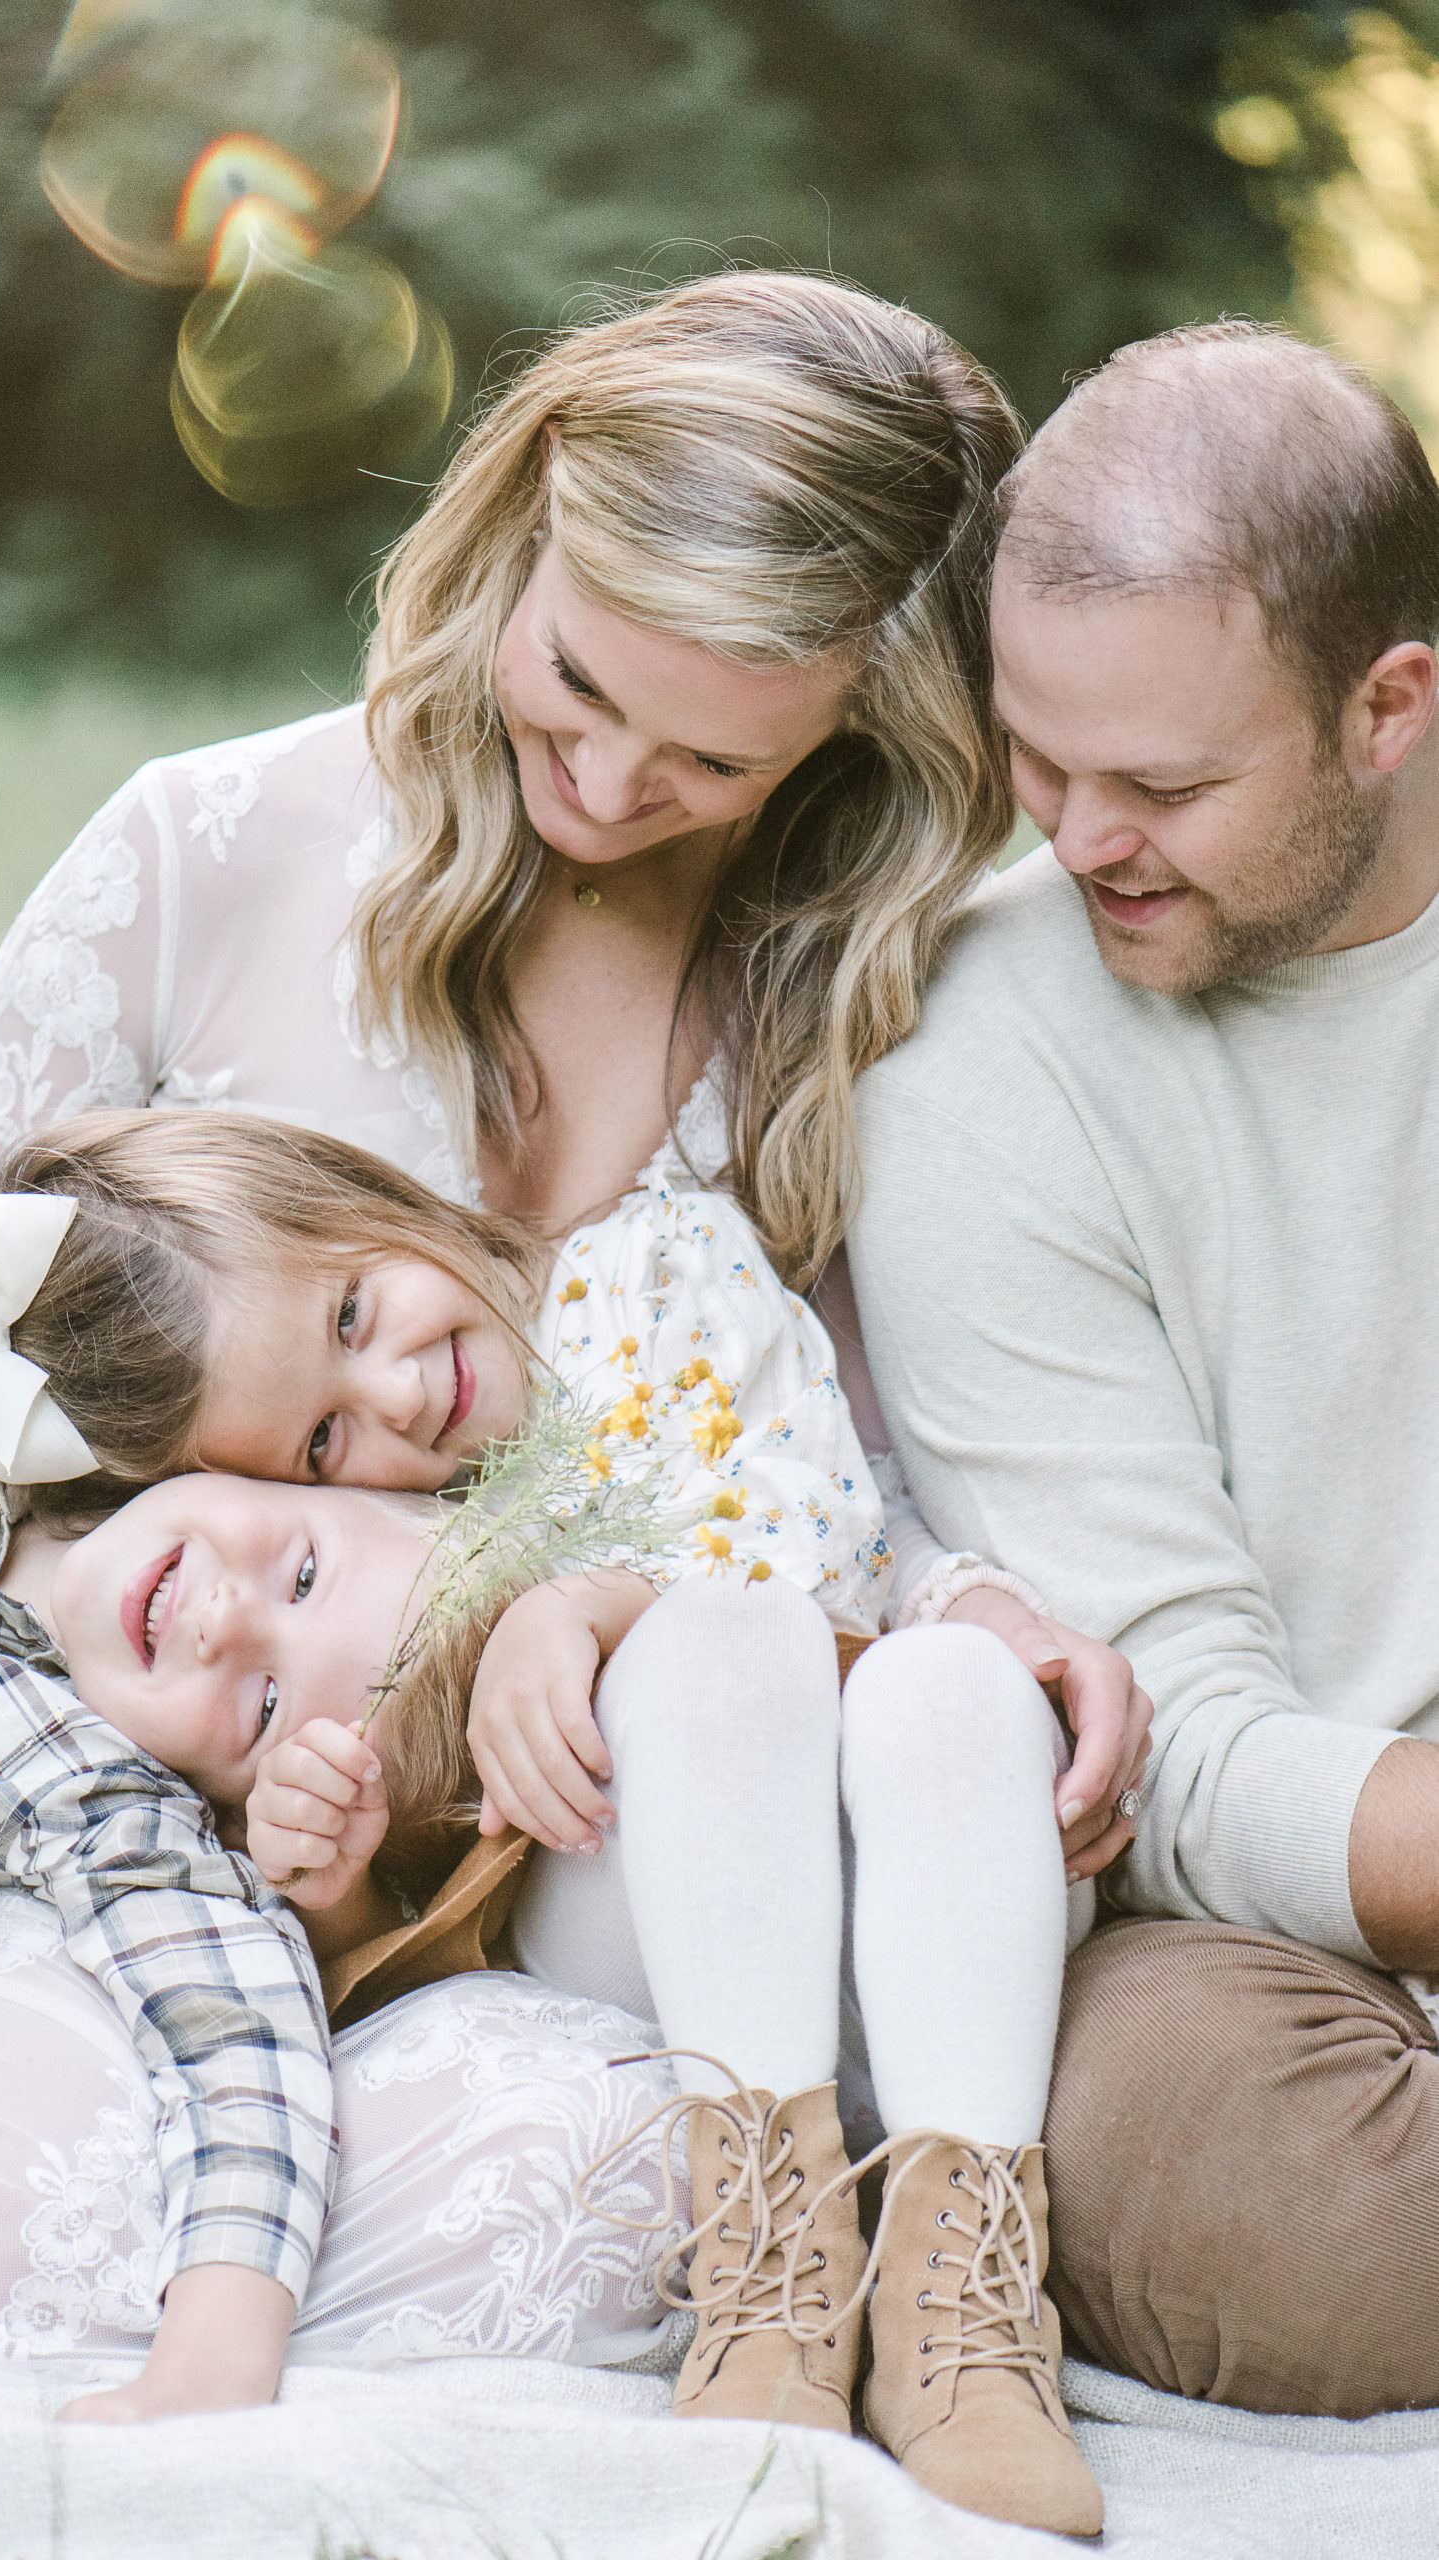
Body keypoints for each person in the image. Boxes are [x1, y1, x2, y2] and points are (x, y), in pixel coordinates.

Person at [0, 1107, 1143, 2533]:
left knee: (947, 1684)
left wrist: (977, 1607)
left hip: (947, 1877)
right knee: (704, 1668)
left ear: (366, 1191)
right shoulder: (409, 1543)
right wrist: (334, 1872)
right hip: (707, 1941)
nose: (399, 1399)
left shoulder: (653, 1269)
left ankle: (967, 2324)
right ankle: (770, 2273)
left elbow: (831, 1519)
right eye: (326, 1434)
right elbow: (429, 1908)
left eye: (357, 1309)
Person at [850, 318, 1439, 2419]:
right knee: (1193, 2163)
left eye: (1164, 783)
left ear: (1384, 708)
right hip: (1280, 1928)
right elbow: (1157, 1746)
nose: (1082, 837)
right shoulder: (973, 1056)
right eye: (1037, 758)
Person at [0, 1414, 691, 2393]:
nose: (226, 1620)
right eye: (304, 1574)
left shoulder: (95, 1797)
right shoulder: (28, 1438)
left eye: (266, 1703)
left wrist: (206, 2365)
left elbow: (239, 2044)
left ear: (226, 1812)